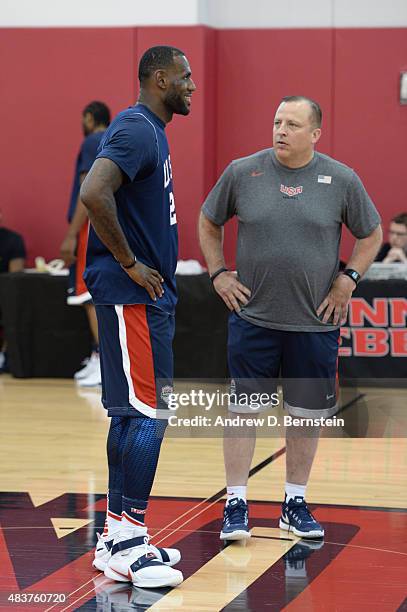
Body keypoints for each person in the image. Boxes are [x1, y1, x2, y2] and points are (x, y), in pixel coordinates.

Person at [199, 96, 382, 541]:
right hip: (253, 319)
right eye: (277, 121)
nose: (281, 130)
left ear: (315, 133)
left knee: (304, 416)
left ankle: (294, 502)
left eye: (293, 124)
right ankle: (236, 503)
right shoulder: (243, 172)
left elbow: (371, 234)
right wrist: (219, 273)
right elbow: (208, 222)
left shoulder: (341, 179)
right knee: (243, 413)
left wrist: (348, 280)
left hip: (314, 324)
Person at [80, 46, 196, 588]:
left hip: (140, 298)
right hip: (134, 298)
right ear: (158, 78)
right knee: (149, 415)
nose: (191, 85)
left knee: (130, 414)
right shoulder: (136, 127)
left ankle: (115, 535)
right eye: (184, 77)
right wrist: (130, 263)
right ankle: (129, 537)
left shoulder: (151, 129)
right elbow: (93, 192)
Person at [60, 101, 111, 387]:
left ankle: (104, 361)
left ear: (90, 118)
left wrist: (70, 234)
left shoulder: (93, 140)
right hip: (104, 222)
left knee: (88, 295)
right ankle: (98, 356)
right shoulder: (112, 138)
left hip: (89, 225)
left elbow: (87, 188)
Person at [0, 210, 26, 371]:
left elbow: (14, 277)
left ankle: (4, 352)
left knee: (13, 301)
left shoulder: (12, 239)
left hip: (4, 290)